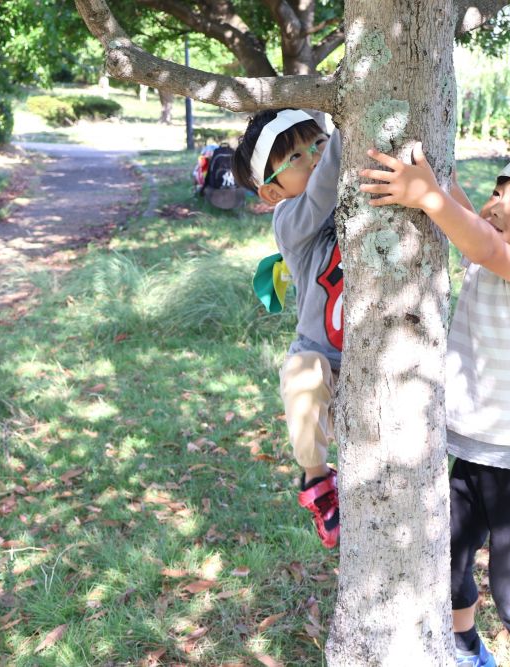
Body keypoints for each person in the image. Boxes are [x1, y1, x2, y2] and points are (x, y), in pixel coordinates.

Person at [360, 145, 510, 667]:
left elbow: (486, 248)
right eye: (498, 192)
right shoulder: (492, 238)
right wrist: (438, 176)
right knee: (447, 556)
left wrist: (429, 195)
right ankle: (466, 645)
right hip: (474, 447)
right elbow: (472, 224)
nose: (496, 205)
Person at [233, 109, 343, 548]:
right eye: (296, 156)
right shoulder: (291, 218)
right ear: (272, 191)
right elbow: (321, 193)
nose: (314, 157)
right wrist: (346, 127)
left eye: (318, 142)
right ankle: (317, 479)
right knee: (302, 379)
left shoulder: (352, 194)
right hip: (320, 351)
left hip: (370, 353)